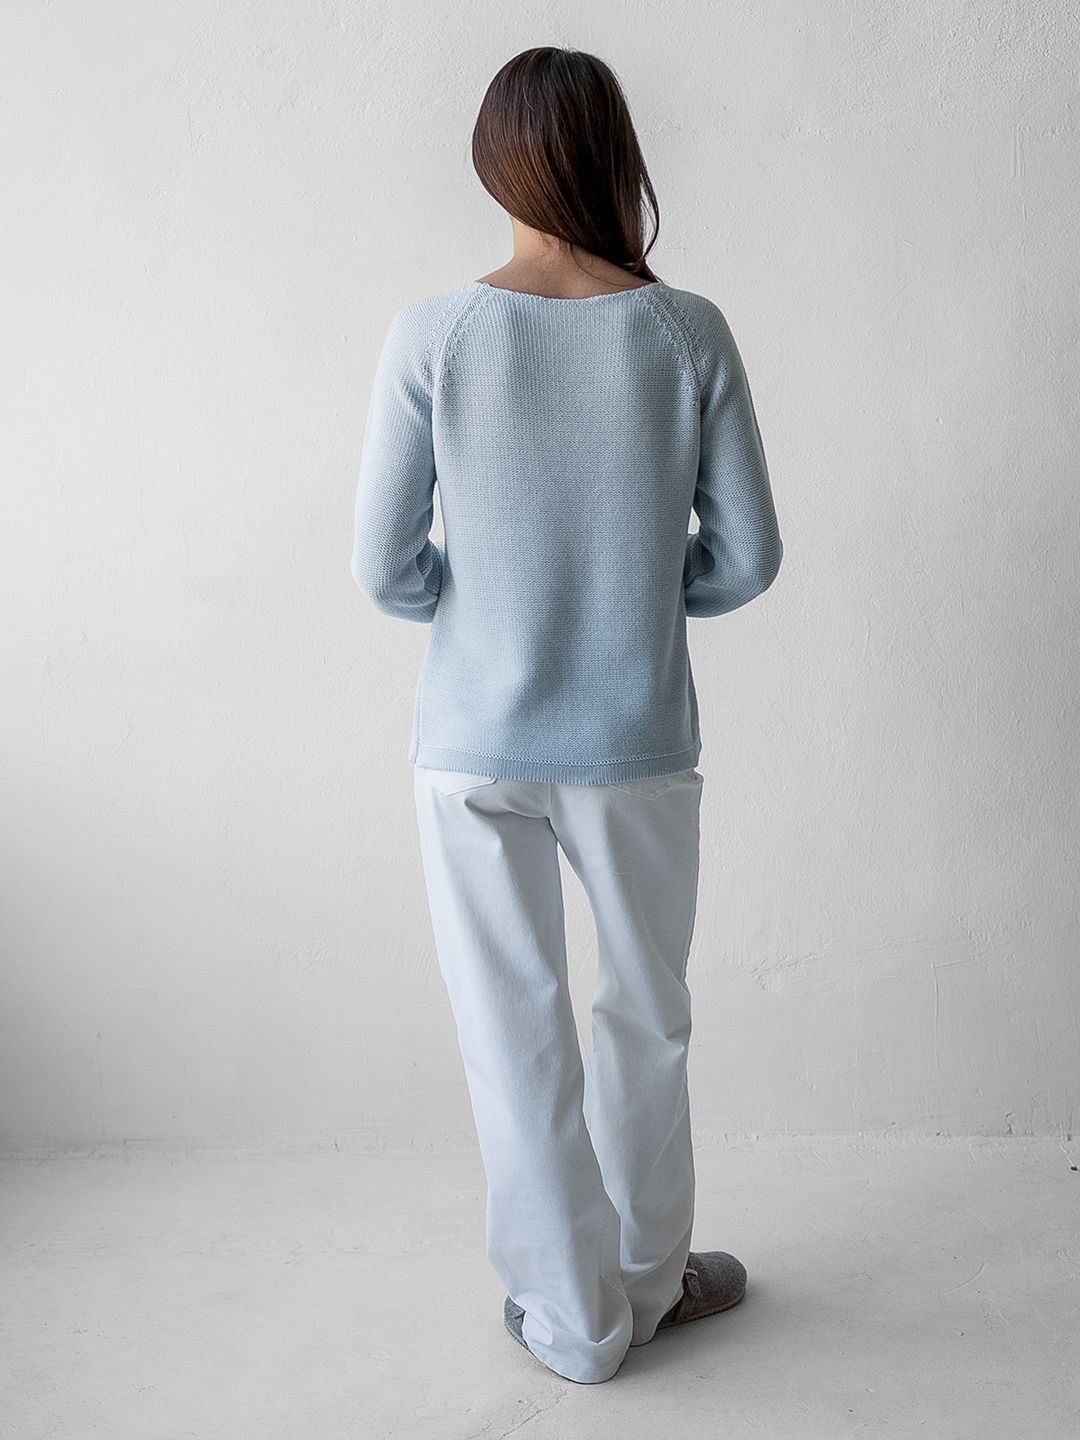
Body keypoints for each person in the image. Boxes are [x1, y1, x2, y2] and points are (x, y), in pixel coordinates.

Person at [351, 46, 783, 1385]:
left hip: (470, 747)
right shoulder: (685, 330)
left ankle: (570, 1324)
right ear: (616, 157)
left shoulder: (433, 335)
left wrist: (480, 607)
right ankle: (650, 1288)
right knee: (646, 1013)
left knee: (512, 1036)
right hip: (635, 739)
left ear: (497, 165)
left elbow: (383, 569)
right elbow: (750, 556)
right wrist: (637, 604)